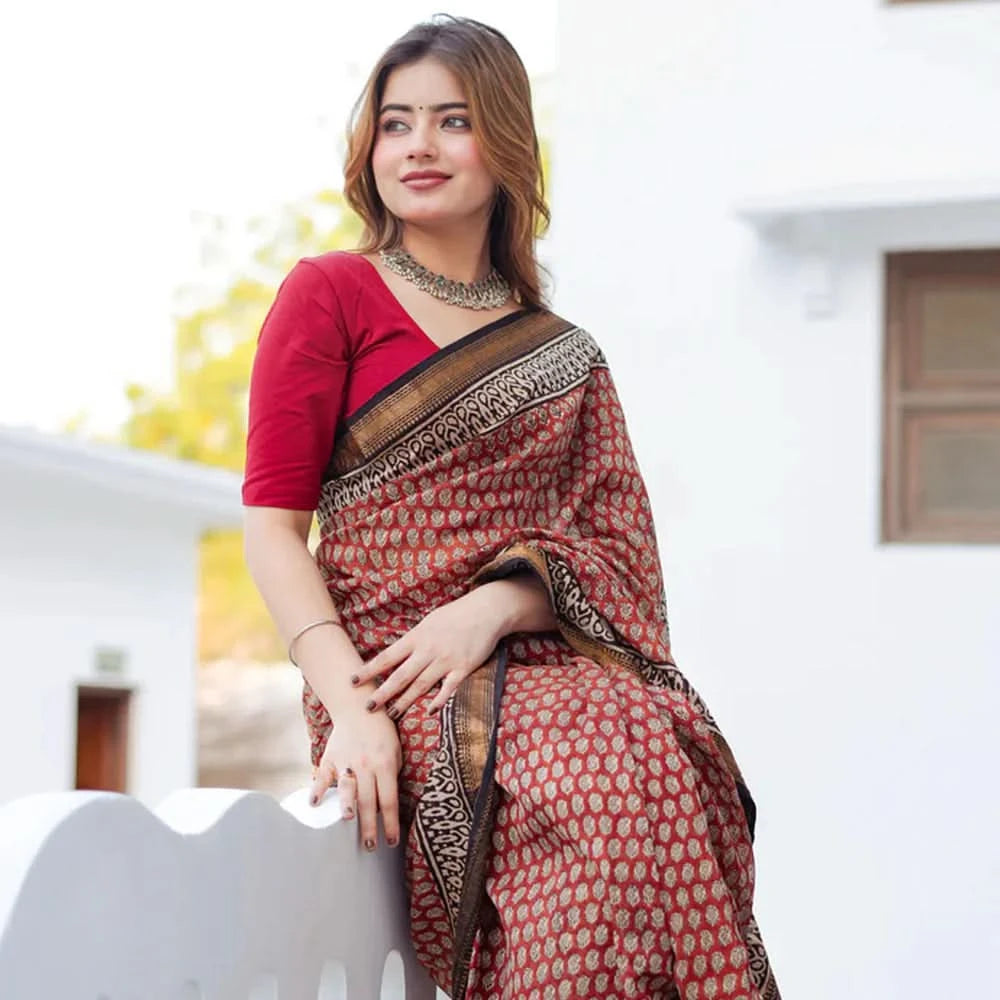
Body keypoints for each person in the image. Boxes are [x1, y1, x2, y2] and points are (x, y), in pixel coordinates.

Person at [242, 14, 779, 1000]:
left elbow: (616, 548)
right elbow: (272, 529)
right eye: (396, 122)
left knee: (661, 751)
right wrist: (353, 709)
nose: (418, 146)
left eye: (451, 121)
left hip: (541, 659)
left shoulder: (563, 351)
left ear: (505, 142)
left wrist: (492, 605)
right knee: (596, 778)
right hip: (390, 675)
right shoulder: (331, 294)